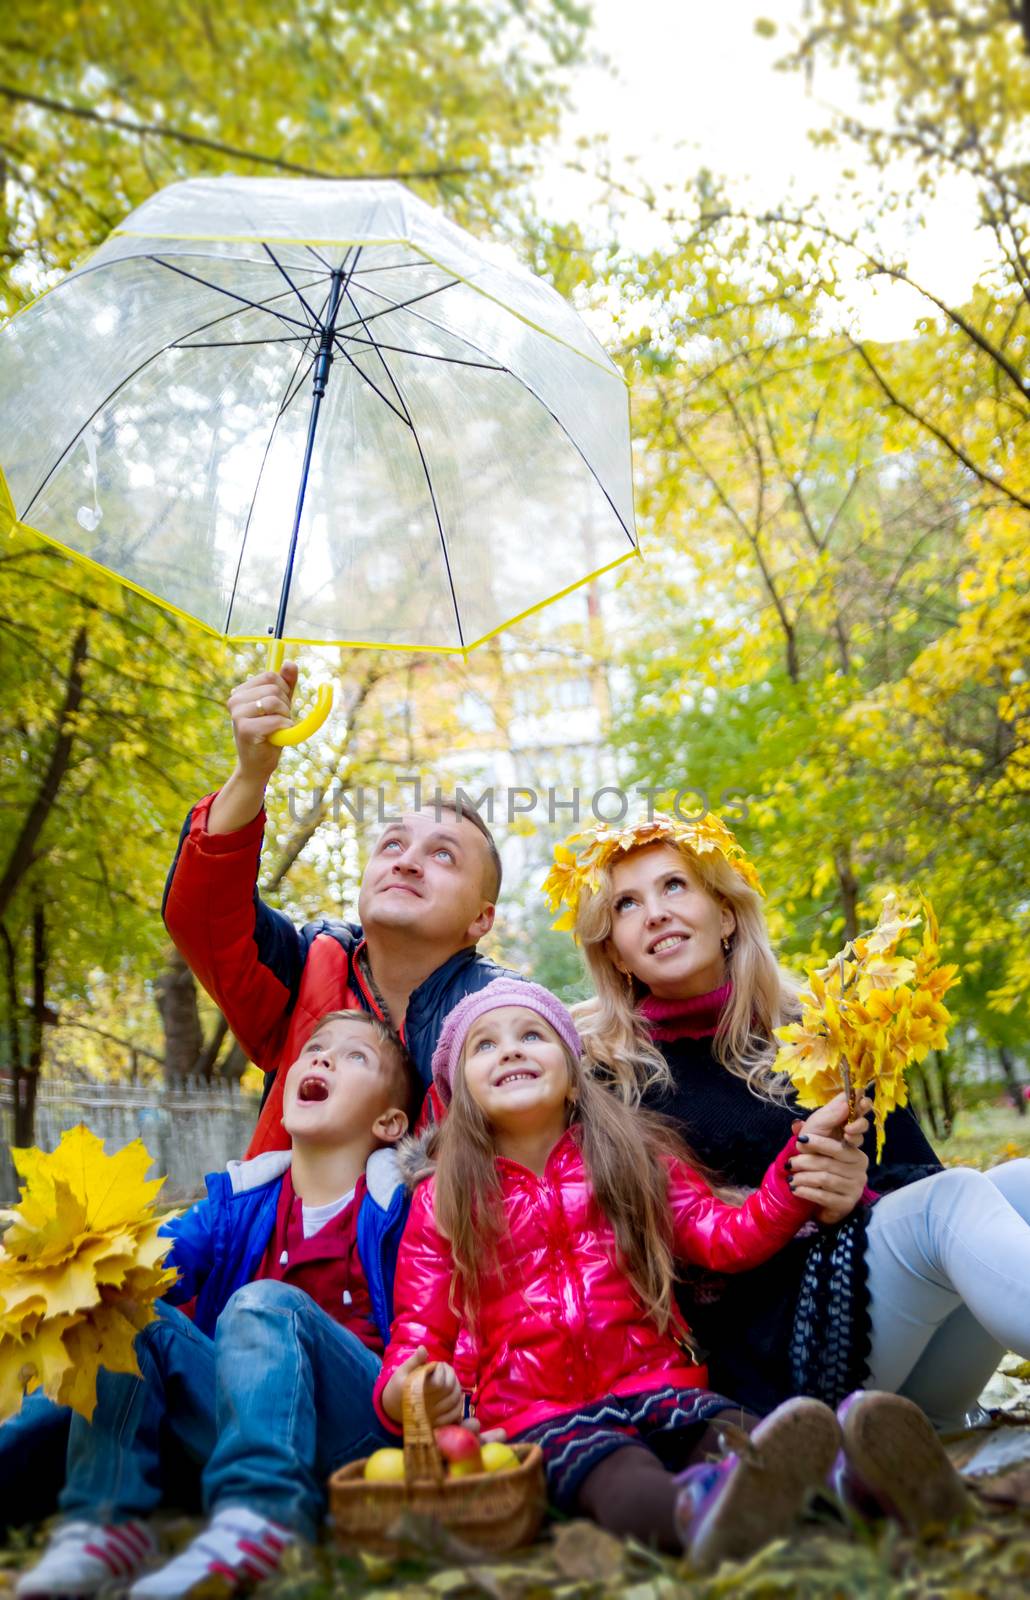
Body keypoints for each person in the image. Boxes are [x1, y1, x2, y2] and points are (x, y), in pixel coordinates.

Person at [372, 979, 964, 1566]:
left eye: (532, 1034)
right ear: (459, 1094)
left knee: (744, 1436)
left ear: (575, 1075)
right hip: (540, 1416)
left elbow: (725, 1237)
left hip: (663, 1384)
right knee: (621, 1480)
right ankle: (694, 1512)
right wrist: (408, 1388)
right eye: (485, 1045)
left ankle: (854, 1483)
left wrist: (793, 1168)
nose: (511, 1050)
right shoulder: (443, 1201)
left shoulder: (633, 1157)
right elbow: (420, 1331)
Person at [546, 812, 1030, 1431]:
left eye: (674, 886)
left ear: (725, 914)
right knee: (959, 1198)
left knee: (1015, 1185)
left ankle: (913, 1439)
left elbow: (922, 1180)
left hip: (901, 1356)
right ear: (613, 952)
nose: (656, 913)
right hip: (766, 1371)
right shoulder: (605, 1075)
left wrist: (857, 1194)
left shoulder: (826, 1034)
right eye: (626, 905)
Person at [17, 1010, 415, 1599]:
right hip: (234, 1424)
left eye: (356, 1056)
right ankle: (105, 1527)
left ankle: (264, 1518)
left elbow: (436, 1313)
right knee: (127, 1310)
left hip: (354, 1438)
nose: (323, 1058)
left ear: (389, 1121)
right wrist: (67, 1269)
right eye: (315, 1048)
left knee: (263, 1304)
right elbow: (154, 1265)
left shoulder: (401, 1209)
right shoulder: (236, 1203)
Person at [163, 662, 521, 1157]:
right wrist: (251, 774)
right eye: (393, 845)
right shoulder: (307, 965)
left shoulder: (508, 1013)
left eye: (443, 855)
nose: (408, 862)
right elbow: (203, 915)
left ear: (481, 919)